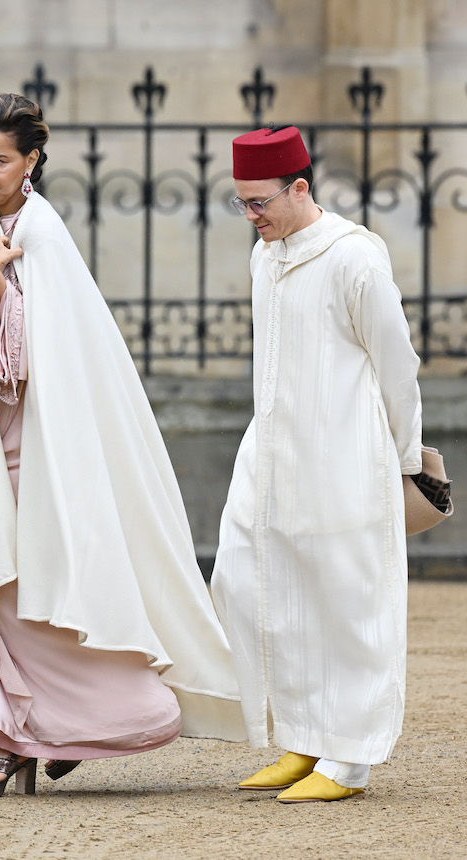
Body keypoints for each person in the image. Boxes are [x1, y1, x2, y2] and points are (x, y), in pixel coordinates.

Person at [0, 93, 246, 798]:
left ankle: (69, 727)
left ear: (32, 160)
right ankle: (10, 741)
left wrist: (0, 286)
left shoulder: (46, 231)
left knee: (40, 582)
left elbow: (39, 366)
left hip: (40, 443)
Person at [211, 125, 422, 803]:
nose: (252, 215)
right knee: (253, 585)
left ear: (299, 187)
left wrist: (408, 459)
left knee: (344, 600)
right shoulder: (264, 256)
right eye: (241, 203)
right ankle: (302, 737)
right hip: (272, 451)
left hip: (344, 455)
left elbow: (398, 365)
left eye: (259, 202)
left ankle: (349, 758)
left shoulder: (355, 258)